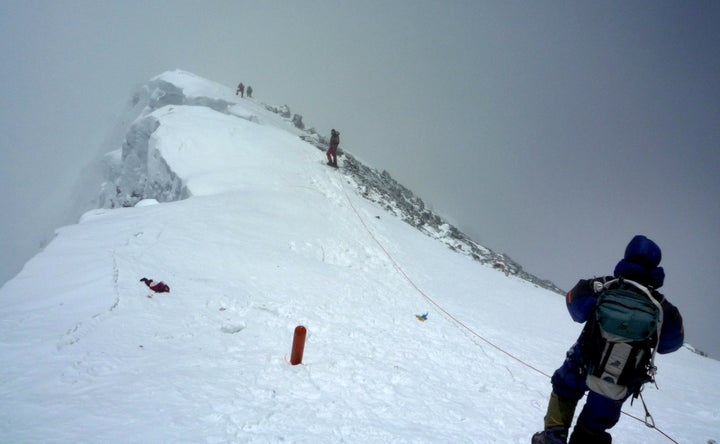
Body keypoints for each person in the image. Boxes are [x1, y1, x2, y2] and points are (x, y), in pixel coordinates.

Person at [532, 235, 684, 444]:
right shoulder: (663, 307)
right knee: (596, 420)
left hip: (582, 361)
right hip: (621, 376)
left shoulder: (602, 286)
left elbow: (575, 309)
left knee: (564, 390)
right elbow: (671, 343)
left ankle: (553, 437)